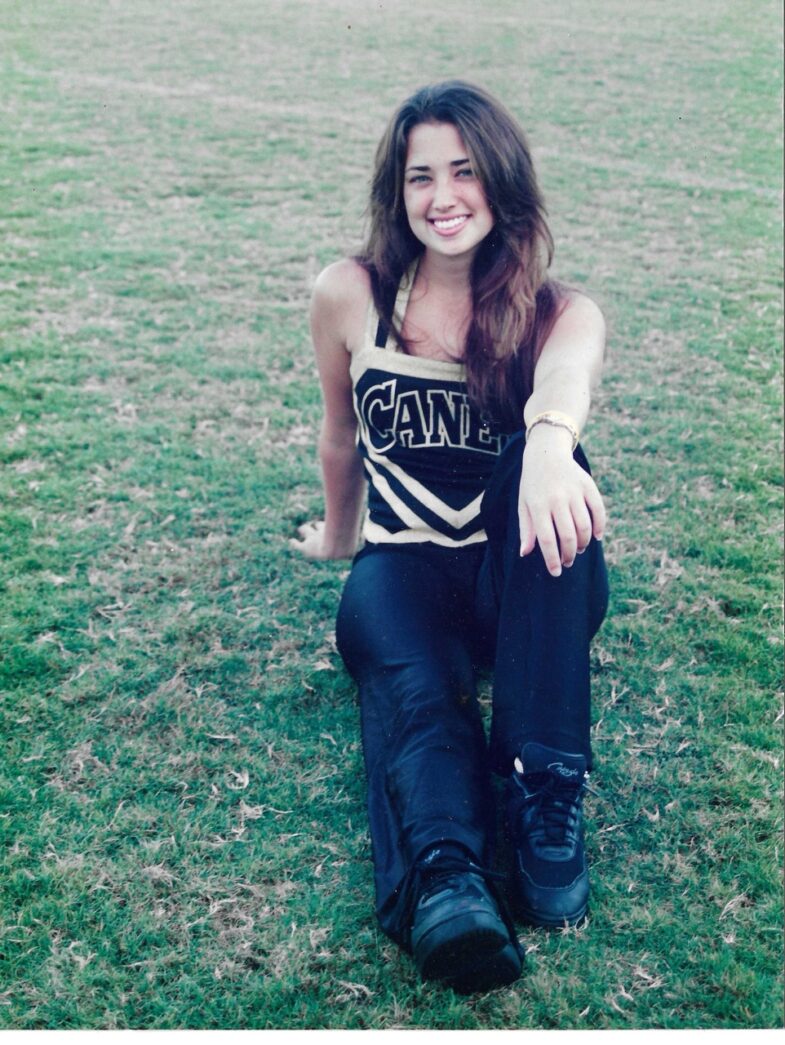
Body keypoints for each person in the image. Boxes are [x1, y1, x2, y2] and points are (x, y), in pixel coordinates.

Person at [290, 80, 609, 994]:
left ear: (501, 179)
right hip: (407, 569)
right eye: (419, 176)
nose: (442, 196)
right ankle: (445, 881)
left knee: (544, 461)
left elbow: (566, 380)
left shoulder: (558, 311)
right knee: (417, 691)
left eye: (464, 172)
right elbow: (340, 434)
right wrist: (338, 539)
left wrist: (547, 444)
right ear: (395, 191)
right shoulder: (351, 293)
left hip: (523, 587)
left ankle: (544, 790)